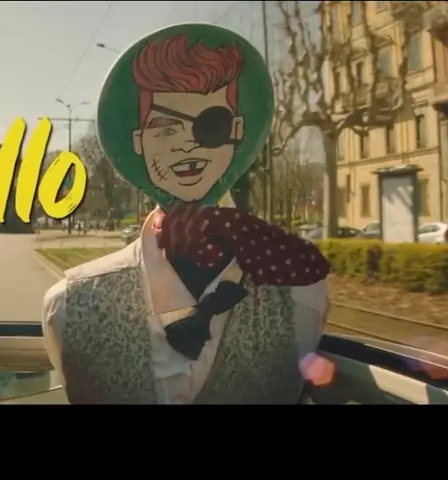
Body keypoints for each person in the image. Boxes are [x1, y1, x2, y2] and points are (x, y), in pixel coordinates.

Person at [42, 24, 332, 404]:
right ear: (137, 142)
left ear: (238, 131)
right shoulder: (68, 306)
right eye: (165, 128)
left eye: (210, 125)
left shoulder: (302, 294)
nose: (187, 146)